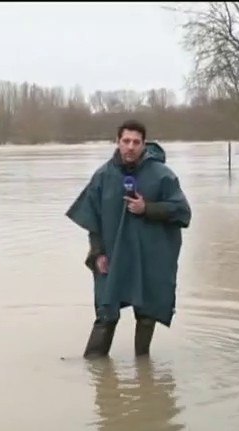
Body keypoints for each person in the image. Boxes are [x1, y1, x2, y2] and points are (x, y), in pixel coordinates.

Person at [66, 120, 192, 358]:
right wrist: (97, 252)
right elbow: (93, 221)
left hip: (150, 257)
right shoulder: (103, 176)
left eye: (136, 142)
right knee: (106, 311)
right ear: (117, 142)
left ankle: (143, 372)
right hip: (113, 256)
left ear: (144, 144)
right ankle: (95, 369)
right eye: (126, 141)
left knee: (147, 314)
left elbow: (183, 213)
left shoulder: (162, 176)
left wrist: (148, 208)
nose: (130, 147)